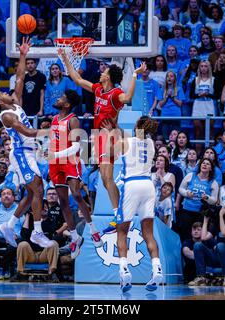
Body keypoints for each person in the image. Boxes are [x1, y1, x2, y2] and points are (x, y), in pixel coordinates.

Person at [58, 48, 147, 234]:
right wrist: (66, 58)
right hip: (100, 136)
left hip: (110, 134)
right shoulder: (98, 89)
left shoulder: (115, 93)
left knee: (107, 177)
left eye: (104, 71)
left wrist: (135, 75)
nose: (101, 72)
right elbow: (78, 80)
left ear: (109, 77)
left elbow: (128, 98)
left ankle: (120, 214)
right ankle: (118, 214)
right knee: (105, 180)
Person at [0, 37, 53, 249]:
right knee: (38, 189)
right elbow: (27, 131)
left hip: (29, 152)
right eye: (2, 93)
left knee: (32, 193)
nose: (7, 92)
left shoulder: (16, 101)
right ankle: (37, 232)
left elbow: (19, 77)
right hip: (20, 153)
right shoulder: (7, 116)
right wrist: (51, 130)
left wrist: (23, 54)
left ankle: (9, 225)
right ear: (1, 101)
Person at [106, 116, 163, 292]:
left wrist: (110, 134)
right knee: (148, 233)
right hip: (148, 185)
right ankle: (157, 268)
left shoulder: (125, 142)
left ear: (137, 125)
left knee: (122, 231)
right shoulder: (152, 144)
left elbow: (108, 154)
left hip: (132, 184)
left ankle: (124, 270)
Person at [48, 90, 103, 258]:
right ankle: (74, 238)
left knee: (77, 194)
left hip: (70, 160)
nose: (58, 98)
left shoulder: (73, 120)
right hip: (55, 163)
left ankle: (93, 230)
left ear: (67, 104)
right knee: (63, 201)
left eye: (61, 98)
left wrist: (56, 154)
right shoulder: (54, 119)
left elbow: (77, 146)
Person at [188, 202, 225, 287]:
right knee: (198, 245)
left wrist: (220, 216)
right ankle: (201, 278)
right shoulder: (219, 225)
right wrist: (205, 221)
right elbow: (203, 237)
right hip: (217, 257)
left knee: (220, 245)